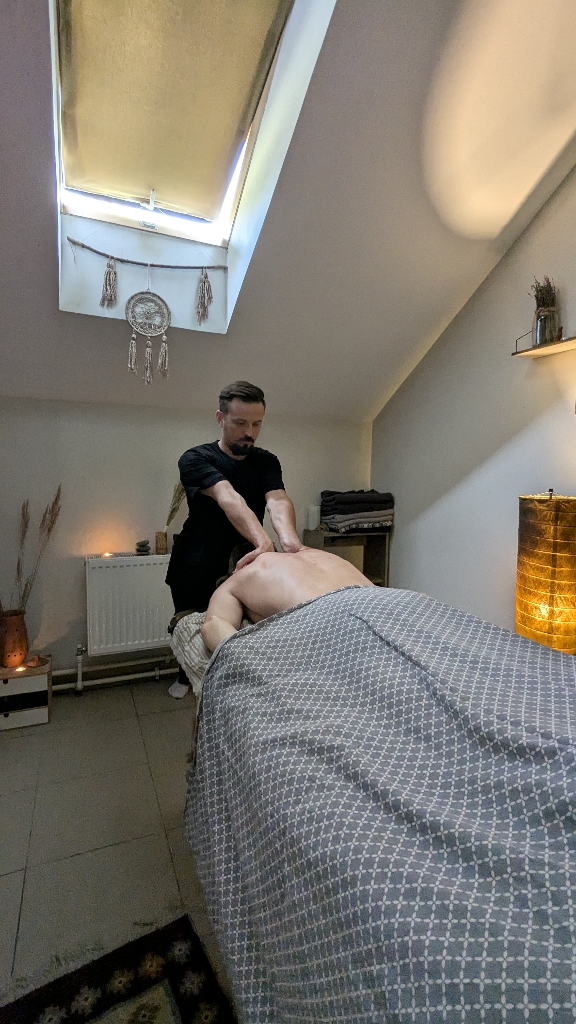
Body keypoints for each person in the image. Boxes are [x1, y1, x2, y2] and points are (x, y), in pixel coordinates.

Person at [166, 381, 303, 697]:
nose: (249, 432)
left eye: (257, 424)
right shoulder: (196, 458)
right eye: (241, 423)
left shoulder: (267, 461)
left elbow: (278, 500)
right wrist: (264, 542)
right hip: (195, 562)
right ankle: (185, 677)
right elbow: (228, 498)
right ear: (220, 418)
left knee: (234, 628)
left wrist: (291, 544)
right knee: (191, 627)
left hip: (243, 560)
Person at [201, 547, 374, 653]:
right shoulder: (314, 554)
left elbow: (213, 626)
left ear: (238, 565)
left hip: (331, 618)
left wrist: (254, 663)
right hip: (382, 600)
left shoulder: (239, 576)